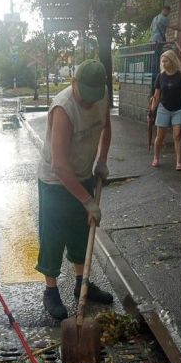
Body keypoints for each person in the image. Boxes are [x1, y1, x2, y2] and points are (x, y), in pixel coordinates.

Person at [36, 59, 113, 320]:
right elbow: (59, 165)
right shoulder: (64, 108)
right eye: (85, 96)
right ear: (74, 83)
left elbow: (106, 128)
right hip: (55, 181)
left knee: (83, 230)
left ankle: (83, 283)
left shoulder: (101, 98)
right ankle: (51, 291)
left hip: (83, 174)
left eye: (94, 97)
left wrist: (102, 159)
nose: (88, 103)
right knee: (54, 234)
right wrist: (88, 201)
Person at [150, 50, 181, 171]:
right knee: (160, 136)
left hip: (178, 109)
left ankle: (179, 162)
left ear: (172, 60)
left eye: (165, 61)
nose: (163, 63)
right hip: (164, 108)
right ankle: (156, 157)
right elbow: (156, 95)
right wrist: (152, 110)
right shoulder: (160, 76)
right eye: (162, 61)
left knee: (177, 135)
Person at [150, 6, 181, 82]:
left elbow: (151, 28)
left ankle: (154, 72)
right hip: (158, 40)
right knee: (158, 56)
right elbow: (172, 27)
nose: (168, 14)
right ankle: (156, 73)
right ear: (165, 10)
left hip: (152, 39)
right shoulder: (163, 18)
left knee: (154, 56)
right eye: (168, 12)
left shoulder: (155, 18)